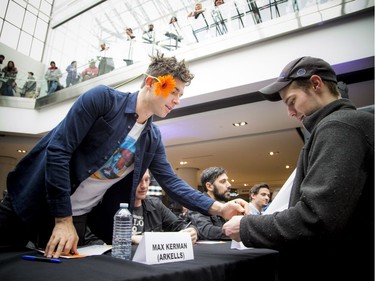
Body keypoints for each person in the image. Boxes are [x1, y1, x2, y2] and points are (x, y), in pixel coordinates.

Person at [0, 51, 248, 259]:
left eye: (181, 94)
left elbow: (171, 182)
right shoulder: (101, 100)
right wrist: (62, 218)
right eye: (174, 91)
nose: (177, 100)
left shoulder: (152, 137)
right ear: (151, 83)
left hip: (76, 218)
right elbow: (58, 150)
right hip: (31, 202)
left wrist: (219, 208)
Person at [222, 56, 374, 281]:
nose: (290, 112)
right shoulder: (344, 126)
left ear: (316, 84)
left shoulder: (338, 127)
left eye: (292, 101)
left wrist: (246, 227)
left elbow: (315, 219)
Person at [131, 169, 198, 245]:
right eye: (139, 180)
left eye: (146, 180)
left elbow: (179, 225)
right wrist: (132, 238)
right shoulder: (116, 205)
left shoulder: (155, 205)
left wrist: (192, 230)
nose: (144, 186)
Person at [188, 167, 232, 240]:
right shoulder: (198, 203)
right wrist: (240, 231)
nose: (229, 185)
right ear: (209, 186)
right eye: (223, 181)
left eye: (227, 181)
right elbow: (207, 231)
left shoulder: (223, 205)